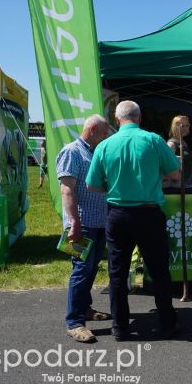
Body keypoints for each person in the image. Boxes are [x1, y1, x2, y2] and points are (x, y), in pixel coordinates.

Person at [86, 101, 181, 341]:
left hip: (117, 215)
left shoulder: (105, 145)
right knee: (159, 271)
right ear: (140, 118)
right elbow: (175, 173)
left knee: (117, 274)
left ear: (117, 121)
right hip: (149, 214)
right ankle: (167, 324)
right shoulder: (154, 140)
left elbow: (92, 184)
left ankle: (120, 328)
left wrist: (113, 185)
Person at [57, 115, 111, 343]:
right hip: (82, 224)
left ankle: (85, 308)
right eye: (103, 133)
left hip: (99, 223)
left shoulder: (93, 151)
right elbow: (67, 190)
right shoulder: (72, 152)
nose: (106, 137)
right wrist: (73, 223)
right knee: (81, 270)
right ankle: (75, 322)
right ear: (91, 130)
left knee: (90, 269)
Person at [166, 115, 192, 187]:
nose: (185, 128)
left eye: (187, 125)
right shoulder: (171, 144)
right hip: (177, 187)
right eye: (182, 126)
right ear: (175, 127)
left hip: (186, 184)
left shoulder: (185, 142)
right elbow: (166, 166)